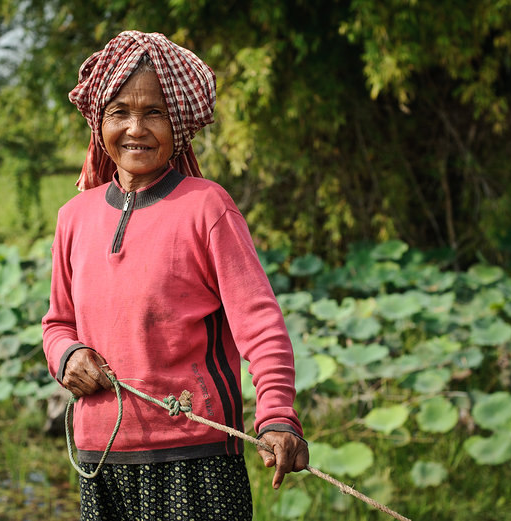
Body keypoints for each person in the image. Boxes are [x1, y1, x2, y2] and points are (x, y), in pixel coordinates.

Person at [42, 30, 308, 520]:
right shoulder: (73, 217)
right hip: (101, 457)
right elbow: (58, 323)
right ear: (100, 120)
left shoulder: (207, 208)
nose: (135, 128)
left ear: (179, 124)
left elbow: (260, 324)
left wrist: (276, 415)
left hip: (196, 456)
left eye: (154, 112)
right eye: (120, 111)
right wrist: (68, 354)